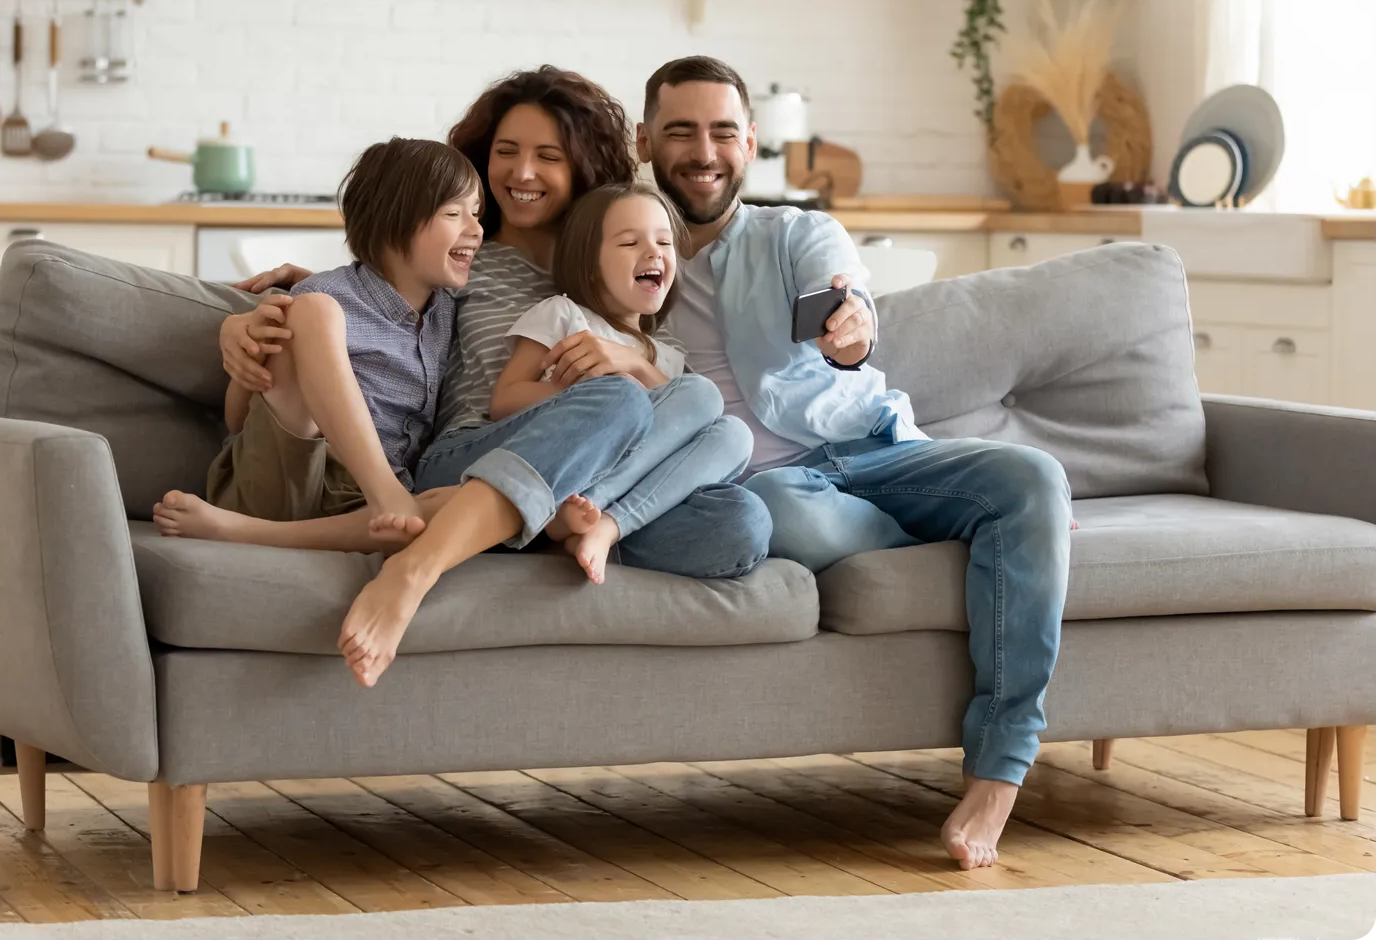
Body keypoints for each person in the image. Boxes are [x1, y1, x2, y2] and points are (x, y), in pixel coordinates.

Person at [636, 55, 1072, 872]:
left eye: (723, 131)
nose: (704, 151)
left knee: (1033, 476)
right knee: (778, 509)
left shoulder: (794, 232)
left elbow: (847, 303)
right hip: (767, 488)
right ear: (644, 138)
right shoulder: (623, 249)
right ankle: (999, 535)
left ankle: (999, 766)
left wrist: (851, 329)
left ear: (750, 141)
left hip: (872, 453)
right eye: (682, 131)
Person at [226, 66, 772, 688]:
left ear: (584, 167)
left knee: (741, 524)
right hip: (470, 457)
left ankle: (555, 524)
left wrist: (632, 360)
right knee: (615, 402)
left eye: (549, 156)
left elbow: (682, 411)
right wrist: (251, 317)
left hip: (591, 486)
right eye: (505, 154)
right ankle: (422, 566)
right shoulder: (467, 258)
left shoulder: (620, 277)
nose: (522, 173)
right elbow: (376, 286)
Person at [153, 135, 482, 555]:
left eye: (476, 213)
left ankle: (240, 532)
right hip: (281, 477)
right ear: (391, 222)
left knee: (467, 502)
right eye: (455, 213)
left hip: (363, 510)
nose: (476, 229)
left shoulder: (449, 314)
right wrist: (251, 351)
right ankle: (381, 491)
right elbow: (237, 420)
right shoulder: (319, 298)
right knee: (314, 311)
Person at [493, 182, 752, 584]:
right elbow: (504, 402)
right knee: (701, 396)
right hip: (571, 467)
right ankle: (573, 514)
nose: (653, 252)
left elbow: (691, 433)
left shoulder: (670, 356)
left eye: (664, 242)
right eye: (630, 242)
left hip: (632, 494)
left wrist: (636, 364)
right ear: (590, 262)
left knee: (734, 433)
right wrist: (584, 394)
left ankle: (604, 526)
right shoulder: (563, 315)